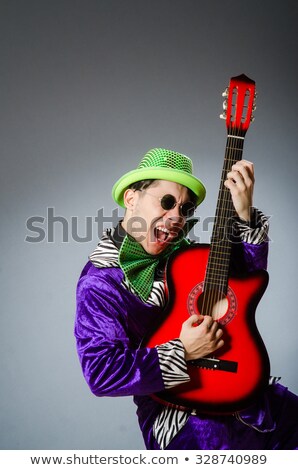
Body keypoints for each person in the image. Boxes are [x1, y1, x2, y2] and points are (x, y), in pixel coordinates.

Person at [75, 148, 298, 449]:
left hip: (255, 401)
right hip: (184, 420)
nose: (176, 216)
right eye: (167, 202)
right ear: (131, 198)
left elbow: (249, 281)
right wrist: (182, 351)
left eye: (185, 208)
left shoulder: (189, 256)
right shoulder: (100, 282)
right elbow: (102, 373)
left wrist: (244, 213)